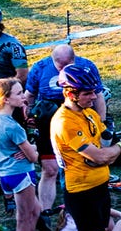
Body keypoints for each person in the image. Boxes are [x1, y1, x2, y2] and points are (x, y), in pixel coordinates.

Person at [49, 63, 121, 231]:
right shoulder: (65, 122)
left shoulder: (89, 114)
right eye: (88, 93)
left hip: (100, 186)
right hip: (83, 193)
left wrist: (110, 152)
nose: (94, 97)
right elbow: (100, 157)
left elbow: (105, 149)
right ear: (70, 93)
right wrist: (120, 147)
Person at [22, 43, 99, 216]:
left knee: (79, 164)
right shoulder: (40, 68)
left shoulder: (87, 67)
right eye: (61, 67)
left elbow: (97, 95)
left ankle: (80, 205)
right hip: (47, 121)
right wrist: (28, 116)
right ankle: (45, 213)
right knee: (49, 169)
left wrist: (100, 123)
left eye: (68, 65)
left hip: (78, 121)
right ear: (53, 61)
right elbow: (29, 95)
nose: (65, 70)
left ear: (74, 59)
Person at [0, 78, 41, 231]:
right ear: (6, 99)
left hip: (7, 174)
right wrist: (34, 147)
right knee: (25, 217)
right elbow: (33, 157)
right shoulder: (13, 127)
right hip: (21, 173)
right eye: (18, 93)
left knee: (36, 211)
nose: (23, 96)